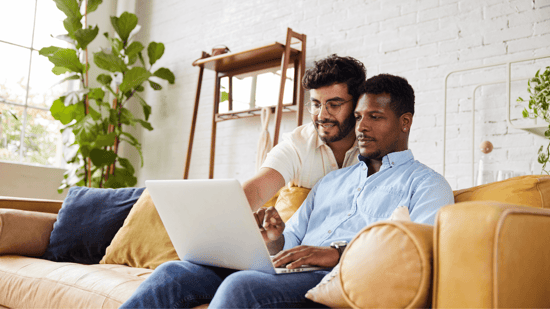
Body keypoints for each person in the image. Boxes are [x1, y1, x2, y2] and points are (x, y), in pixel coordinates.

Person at [120, 74, 454, 308]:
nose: (362, 127)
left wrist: (338, 252)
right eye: (359, 116)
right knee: (174, 273)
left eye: (375, 117)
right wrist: (274, 237)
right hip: (287, 270)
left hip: (335, 280)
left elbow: (418, 252)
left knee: (242, 288)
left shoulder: (426, 184)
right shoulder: (331, 183)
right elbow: (288, 244)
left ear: (405, 122)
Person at [243, 54, 366, 211]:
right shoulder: (296, 145)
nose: (321, 115)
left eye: (334, 105)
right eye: (316, 104)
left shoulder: (374, 146)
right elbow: (257, 190)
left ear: (358, 104)